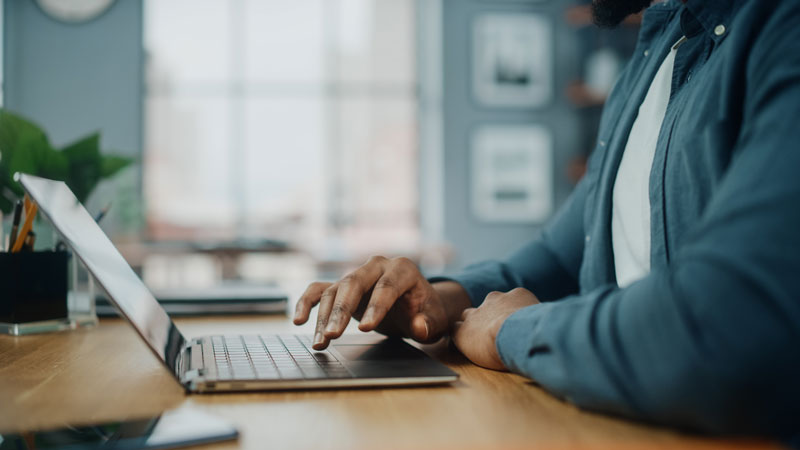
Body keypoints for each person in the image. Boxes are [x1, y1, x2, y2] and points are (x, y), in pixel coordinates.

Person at [294, 0, 800, 439]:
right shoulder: (657, 49)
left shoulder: (782, 28)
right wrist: (438, 301)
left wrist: (511, 331)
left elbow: (725, 328)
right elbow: (563, 253)